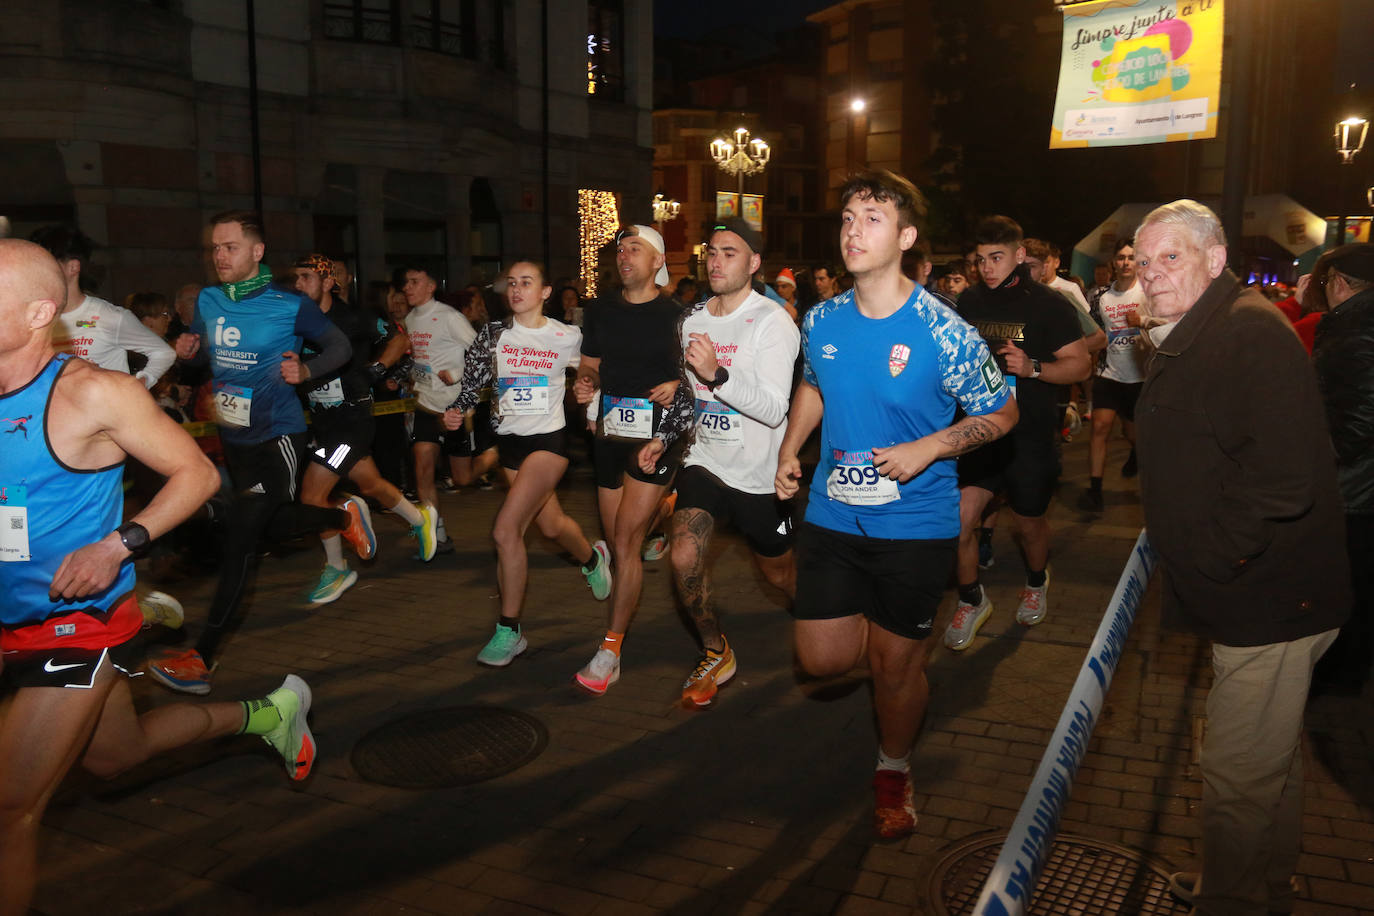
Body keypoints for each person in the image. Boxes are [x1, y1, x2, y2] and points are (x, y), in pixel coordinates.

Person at [0, 239, 316, 916]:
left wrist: (118, 546)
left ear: (35, 313)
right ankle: (269, 715)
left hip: (75, 626)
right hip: (8, 619)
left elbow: (197, 474)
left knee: (8, 811)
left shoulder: (91, 393)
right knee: (115, 757)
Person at [775, 170, 1017, 839]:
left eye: (872, 218)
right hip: (831, 513)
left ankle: (894, 766)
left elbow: (1001, 412)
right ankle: (882, 658)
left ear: (906, 237)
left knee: (895, 666)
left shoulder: (945, 330)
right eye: (847, 218)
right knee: (822, 660)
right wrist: (791, 448)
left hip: (915, 525)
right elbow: (815, 386)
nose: (853, 230)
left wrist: (933, 446)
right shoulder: (821, 317)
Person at [1130, 200, 1349, 916]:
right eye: (1144, 260)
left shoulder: (1248, 333)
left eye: (1171, 258)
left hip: (1272, 598)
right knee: (1267, 760)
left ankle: (1232, 900)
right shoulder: (1205, 326)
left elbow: (1283, 480)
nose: (1153, 275)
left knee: (1234, 771)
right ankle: (1259, 882)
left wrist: (1212, 558)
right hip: (1258, 593)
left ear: (1214, 259)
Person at [151, 211, 367, 694]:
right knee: (265, 528)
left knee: (243, 540)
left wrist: (306, 372)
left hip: (278, 436)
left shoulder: (288, 304)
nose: (219, 256)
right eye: (215, 248)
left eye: (229, 247)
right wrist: (190, 353)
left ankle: (201, 658)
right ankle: (342, 518)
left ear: (257, 251)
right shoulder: (209, 299)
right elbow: (208, 359)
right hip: (234, 436)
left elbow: (338, 347)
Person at [442, 260, 612, 665]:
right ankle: (592, 558)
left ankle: (509, 629)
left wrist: (589, 391)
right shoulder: (494, 334)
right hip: (510, 444)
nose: (517, 290)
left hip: (549, 443)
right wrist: (456, 411)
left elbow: (593, 370)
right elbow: (474, 380)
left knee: (505, 531)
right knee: (550, 525)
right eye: (512, 284)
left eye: (527, 283)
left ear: (545, 291)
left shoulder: (566, 335)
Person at [945, 216, 1090, 650]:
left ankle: (1035, 580)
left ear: (1019, 255)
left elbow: (1080, 364)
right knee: (958, 523)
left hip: (1029, 437)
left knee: (1029, 526)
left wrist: (1033, 368)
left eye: (997, 257)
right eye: (981, 259)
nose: (988, 268)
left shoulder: (1049, 304)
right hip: (978, 434)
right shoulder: (966, 301)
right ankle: (972, 600)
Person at [671, 219, 799, 707]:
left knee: (780, 576)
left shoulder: (772, 321)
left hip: (759, 475)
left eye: (730, 251)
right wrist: (664, 438)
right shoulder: (691, 319)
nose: (716, 260)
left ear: (754, 262)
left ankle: (812, 613)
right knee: (683, 554)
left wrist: (716, 374)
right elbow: (686, 393)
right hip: (704, 461)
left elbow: (773, 409)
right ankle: (715, 648)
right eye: (712, 251)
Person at [572, 224, 694, 695]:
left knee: (624, 542)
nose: (624, 257)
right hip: (610, 431)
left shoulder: (679, 315)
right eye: (620, 250)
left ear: (657, 260)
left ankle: (610, 649)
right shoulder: (599, 310)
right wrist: (584, 387)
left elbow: (699, 376)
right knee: (621, 537)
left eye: (634, 249)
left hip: (658, 435)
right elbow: (590, 364)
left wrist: (678, 385)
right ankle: (665, 510)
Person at [291, 255, 438, 604]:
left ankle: (337, 567)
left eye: (306, 277)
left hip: (352, 421)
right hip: (324, 421)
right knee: (371, 484)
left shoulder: (352, 318)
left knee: (312, 497)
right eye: (295, 278)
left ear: (328, 283)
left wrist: (375, 369)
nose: (298, 284)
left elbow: (400, 340)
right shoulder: (296, 322)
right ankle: (420, 519)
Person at [1310, 243, 1374, 696]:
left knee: (1349, 580)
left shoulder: (1358, 328)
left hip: (1357, 485)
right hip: (1358, 479)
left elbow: (1362, 415)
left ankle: (1342, 672)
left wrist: (1323, 455)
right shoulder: (1354, 323)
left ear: (1336, 282)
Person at [29, 225, 175, 389]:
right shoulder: (35, 318)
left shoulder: (108, 317)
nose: (37, 271)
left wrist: (137, 386)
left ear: (73, 267)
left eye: (46, 263)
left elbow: (164, 353)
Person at [399, 266, 474, 552]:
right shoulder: (409, 319)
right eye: (406, 282)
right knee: (422, 469)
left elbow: (482, 351)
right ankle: (436, 532)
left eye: (414, 282)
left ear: (431, 286)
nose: (408, 287)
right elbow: (418, 359)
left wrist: (456, 372)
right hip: (426, 405)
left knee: (463, 478)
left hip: (455, 408)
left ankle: (489, 459)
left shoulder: (450, 317)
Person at [1078, 238, 1149, 512]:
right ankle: (1095, 490)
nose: (1126, 262)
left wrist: (1141, 322)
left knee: (1134, 434)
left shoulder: (1147, 293)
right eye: (1121, 257)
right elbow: (1094, 334)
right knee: (1099, 427)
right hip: (1109, 374)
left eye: (1131, 257)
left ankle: (1136, 453)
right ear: (1114, 263)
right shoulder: (1102, 297)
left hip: (1139, 377)